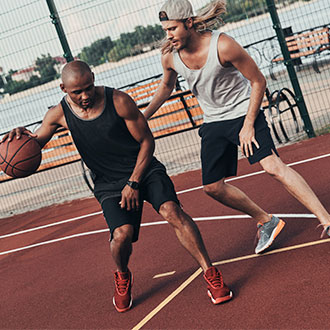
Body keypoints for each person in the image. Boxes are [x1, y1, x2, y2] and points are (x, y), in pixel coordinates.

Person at [1, 60, 233, 312]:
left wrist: (133, 182)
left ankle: (210, 272)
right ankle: (123, 276)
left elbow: (147, 142)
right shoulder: (58, 114)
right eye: (77, 92)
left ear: (93, 78)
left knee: (171, 211)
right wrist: (22, 137)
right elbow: (35, 144)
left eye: (88, 87)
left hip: (144, 170)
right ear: (63, 89)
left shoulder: (118, 101)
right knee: (121, 236)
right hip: (108, 182)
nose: (85, 95)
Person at [143, 0, 330, 252]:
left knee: (273, 167)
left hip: (243, 113)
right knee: (212, 187)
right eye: (165, 30)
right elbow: (166, 87)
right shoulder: (169, 56)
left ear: (189, 23)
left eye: (172, 29)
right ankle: (266, 221)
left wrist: (249, 124)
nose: (168, 35)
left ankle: (326, 220)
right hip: (213, 122)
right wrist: (144, 117)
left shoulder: (223, 45)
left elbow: (258, 80)